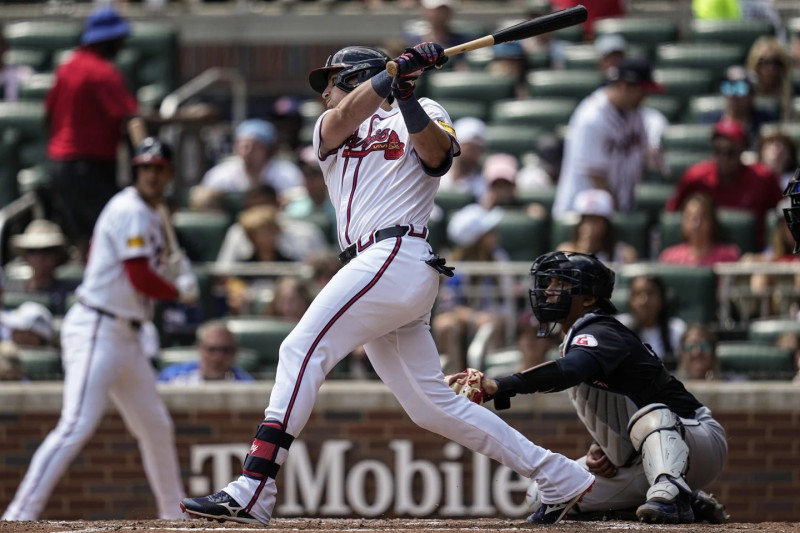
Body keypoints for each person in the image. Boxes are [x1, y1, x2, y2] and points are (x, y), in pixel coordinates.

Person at [181, 43, 595, 526]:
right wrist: (387, 78)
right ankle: (559, 475)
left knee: (299, 348)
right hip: (374, 266)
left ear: (356, 76)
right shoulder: (329, 125)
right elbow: (345, 116)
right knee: (430, 406)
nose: (324, 95)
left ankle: (254, 487)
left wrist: (405, 93)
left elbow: (437, 158)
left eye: (332, 82)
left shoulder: (424, 110)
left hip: (397, 253)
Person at [448, 251, 728, 524]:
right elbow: (618, 394)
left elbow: (570, 371)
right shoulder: (578, 335)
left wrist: (500, 384)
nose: (548, 291)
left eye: (561, 284)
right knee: (549, 494)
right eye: (551, 283)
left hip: (695, 437)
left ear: (589, 298)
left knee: (652, 415)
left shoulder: (601, 329)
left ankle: (674, 491)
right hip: (640, 457)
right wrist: (602, 445)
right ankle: (688, 501)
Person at [1, 137, 197, 521]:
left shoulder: (153, 213)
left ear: (169, 173)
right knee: (76, 424)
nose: (152, 175)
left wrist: (175, 271)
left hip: (127, 334)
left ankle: (175, 517)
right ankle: (18, 517)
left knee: (156, 425)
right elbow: (139, 276)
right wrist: (177, 291)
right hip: (98, 327)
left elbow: (149, 270)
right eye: (145, 168)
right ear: (136, 171)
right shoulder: (130, 209)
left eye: (158, 169)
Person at [45, 6, 139, 260]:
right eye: (118, 38)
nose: (122, 43)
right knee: (109, 233)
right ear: (106, 39)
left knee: (84, 240)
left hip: (60, 166)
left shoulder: (66, 67)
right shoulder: (103, 73)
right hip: (89, 167)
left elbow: (47, 115)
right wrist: (185, 117)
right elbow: (130, 117)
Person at [552, 58, 659, 219]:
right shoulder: (591, 117)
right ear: (624, 86)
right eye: (642, 91)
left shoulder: (634, 112)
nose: (645, 97)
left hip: (615, 210)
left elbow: (641, 152)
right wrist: (619, 216)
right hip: (582, 215)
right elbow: (596, 177)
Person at [665, 118, 783, 249]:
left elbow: (782, 216)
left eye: (730, 152)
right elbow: (673, 214)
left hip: (752, 255)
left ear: (742, 150)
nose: (723, 159)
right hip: (703, 253)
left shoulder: (763, 178)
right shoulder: (695, 177)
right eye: (718, 151)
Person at [434, 203, 513, 372]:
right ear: (476, 240)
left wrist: (485, 317)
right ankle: (454, 378)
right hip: (469, 317)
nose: (496, 235)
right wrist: (473, 317)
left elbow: (506, 303)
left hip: (496, 317)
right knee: (445, 324)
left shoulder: (499, 258)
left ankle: (491, 380)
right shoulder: (456, 264)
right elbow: (449, 306)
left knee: (491, 324)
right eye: (489, 232)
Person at [200, 119, 304, 204]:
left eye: (255, 147)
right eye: (244, 146)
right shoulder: (220, 175)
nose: (248, 152)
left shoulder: (288, 174)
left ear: (268, 150)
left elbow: (302, 201)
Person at [695, 65, 779, 150]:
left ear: (752, 95)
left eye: (740, 88)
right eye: (728, 87)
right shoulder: (709, 121)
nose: (733, 94)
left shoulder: (767, 121)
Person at [615, 274, 687, 371]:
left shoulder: (677, 329)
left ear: (661, 299)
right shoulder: (618, 326)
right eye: (637, 294)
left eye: (650, 293)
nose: (644, 301)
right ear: (630, 300)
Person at [6, 219, 76, 315]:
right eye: (32, 250)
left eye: (46, 250)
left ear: (58, 255)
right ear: (25, 256)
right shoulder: (10, 290)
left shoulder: (70, 293)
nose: (39, 257)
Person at [556, 188, 638, 265]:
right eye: (585, 219)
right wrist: (584, 248)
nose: (589, 225)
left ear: (606, 224)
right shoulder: (565, 252)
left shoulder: (624, 254)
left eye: (595, 220)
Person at [158, 320, 254, 384]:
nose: (218, 357)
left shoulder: (246, 384)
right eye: (211, 349)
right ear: (199, 348)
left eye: (225, 350)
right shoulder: (171, 378)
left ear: (235, 352)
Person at [660, 193, 742, 266]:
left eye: (702, 218)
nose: (697, 224)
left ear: (712, 222)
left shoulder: (729, 256)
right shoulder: (669, 258)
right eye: (691, 218)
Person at [746, 36, 796, 121]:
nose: (771, 67)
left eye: (776, 62)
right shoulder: (746, 92)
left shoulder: (795, 90)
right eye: (765, 62)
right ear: (755, 64)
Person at [438, 116, 487, 200]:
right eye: (469, 147)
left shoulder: (483, 185)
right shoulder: (436, 175)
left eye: (478, 148)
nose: (473, 153)